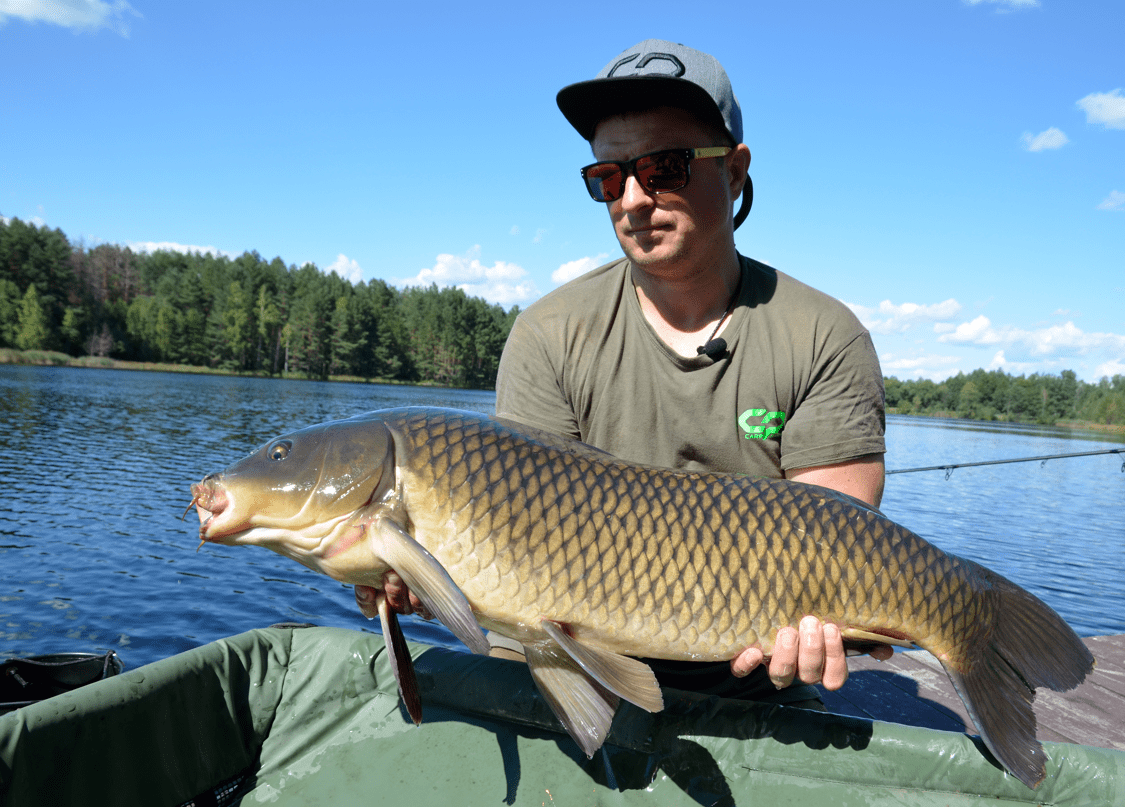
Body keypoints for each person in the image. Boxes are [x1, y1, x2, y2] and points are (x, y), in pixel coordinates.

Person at [361, 39, 891, 705]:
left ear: (733, 171)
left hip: (753, 680)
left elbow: (839, 539)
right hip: (557, 654)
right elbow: (511, 546)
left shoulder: (824, 336)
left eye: (664, 167)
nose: (634, 199)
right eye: (608, 178)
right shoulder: (549, 333)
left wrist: (816, 630)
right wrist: (429, 576)